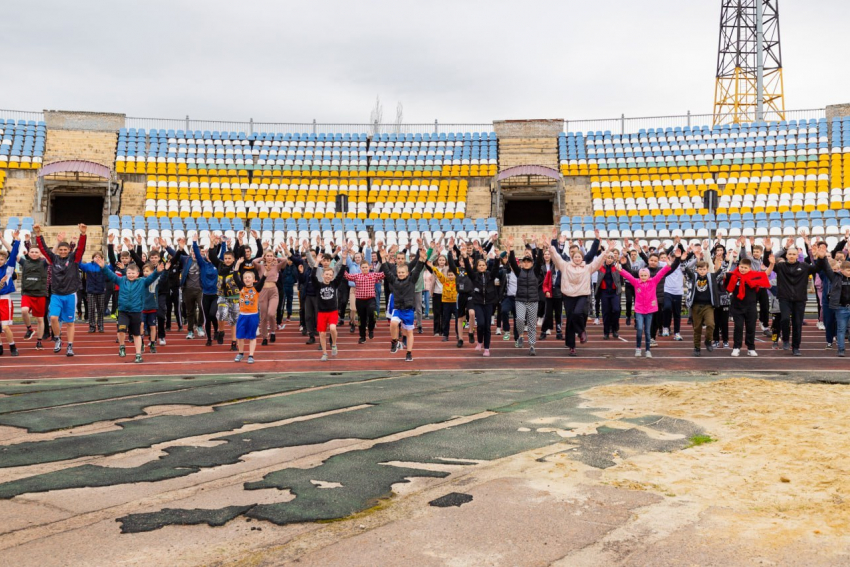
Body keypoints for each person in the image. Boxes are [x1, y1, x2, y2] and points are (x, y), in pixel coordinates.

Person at [95, 254, 165, 363]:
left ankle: (138, 355)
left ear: (137, 274)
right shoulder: (121, 280)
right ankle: (122, 346)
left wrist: (157, 271)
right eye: (128, 273)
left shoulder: (142, 282)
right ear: (126, 273)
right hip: (123, 311)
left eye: (133, 273)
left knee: (136, 334)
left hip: (136, 312)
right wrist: (103, 266)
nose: (131, 275)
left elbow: (151, 278)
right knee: (121, 329)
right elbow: (111, 275)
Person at [549, 230, 607, 356]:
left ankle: (581, 332)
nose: (577, 258)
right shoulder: (565, 266)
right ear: (572, 257)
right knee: (570, 319)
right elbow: (556, 256)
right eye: (575, 256)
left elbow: (597, 261)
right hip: (568, 296)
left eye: (579, 257)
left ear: (582, 258)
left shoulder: (587, 267)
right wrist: (552, 243)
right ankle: (572, 346)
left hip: (582, 295)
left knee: (577, 313)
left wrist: (605, 249)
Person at [615, 248, 680, 357]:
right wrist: (620, 269)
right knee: (640, 329)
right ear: (639, 276)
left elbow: (662, 272)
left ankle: (648, 350)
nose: (644, 277)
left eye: (645, 275)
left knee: (648, 331)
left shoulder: (654, 281)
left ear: (649, 276)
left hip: (650, 309)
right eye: (642, 275)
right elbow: (628, 276)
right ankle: (638, 348)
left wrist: (669, 265)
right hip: (640, 310)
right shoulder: (636, 282)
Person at [34, 223, 87, 356]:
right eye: (61, 249)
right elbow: (44, 249)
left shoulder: (74, 259)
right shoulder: (53, 259)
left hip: (70, 295)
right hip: (56, 295)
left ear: (69, 250)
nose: (63, 251)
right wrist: (38, 235)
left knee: (69, 323)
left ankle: (70, 346)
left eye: (65, 249)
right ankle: (57, 338)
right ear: (58, 251)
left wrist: (83, 235)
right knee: (53, 318)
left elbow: (80, 249)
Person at [773, 236, 819, 356]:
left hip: (799, 299)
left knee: (797, 324)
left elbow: (818, 267)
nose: (792, 256)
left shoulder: (804, 266)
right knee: (785, 319)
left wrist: (817, 255)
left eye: (794, 254)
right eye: (790, 254)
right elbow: (769, 262)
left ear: (798, 255)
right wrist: (785, 247)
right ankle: (786, 340)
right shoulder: (780, 267)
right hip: (784, 298)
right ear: (786, 256)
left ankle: (796, 347)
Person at [380, 244, 427, 361]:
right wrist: (383, 259)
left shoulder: (412, 280)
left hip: (408, 310)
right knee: (393, 324)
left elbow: (418, 269)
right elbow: (386, 271)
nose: (400, 274)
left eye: (403, 273)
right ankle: (395, 342)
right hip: (397, 308)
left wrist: (421, 259)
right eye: (399, 272)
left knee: (409, 332)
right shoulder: (394, 280)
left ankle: (409, 353)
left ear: (407, 273)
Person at [726, 257, 773, 357]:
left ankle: (751, 348)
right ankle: (736, 347)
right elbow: (720, 273)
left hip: (750, 307)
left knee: (751, 328)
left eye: (745, 268)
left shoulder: (754, 275)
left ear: (750, 268)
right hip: (737, 306)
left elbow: (766, 274)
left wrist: (772, 264)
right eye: (741, 267)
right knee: (738, 327)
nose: (742, 269)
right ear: (738, 266)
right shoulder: (733, 275)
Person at [506, 236, 543, 355]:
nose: (526, 263)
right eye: (524, 261)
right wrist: (511, 248)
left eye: (528, 261)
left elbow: (540, 260)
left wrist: (540, 248)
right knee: (520, 319)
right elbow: (511, 261)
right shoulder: (518, 272)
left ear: (532, 263)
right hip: (520, 300)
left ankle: (532, 345)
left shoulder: (535, 271)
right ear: (521, 263)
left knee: (532, 324)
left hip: (533, 300)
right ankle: (520, 335)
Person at [463, 242, 501, 356]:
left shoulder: (490, 275)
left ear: (486, 266)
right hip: (478, 303)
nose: (481, 267)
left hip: (489, 303)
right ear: (477, 267)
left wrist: (498, 257)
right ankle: (479, 342)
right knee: (480, 324)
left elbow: (495, 269)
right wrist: (465, 257)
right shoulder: (474, 276)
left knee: (487, 327)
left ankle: (487, 348)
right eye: (479, 265)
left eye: (483, 265)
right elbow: (469, 270)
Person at [814, 246, 850, 356]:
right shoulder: (835, 278)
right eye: (847, 270)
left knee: (843, 328)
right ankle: (840, 349)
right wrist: (821, 257)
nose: (849, 272)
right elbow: (826, 268)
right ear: (841, 270)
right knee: (839, 328)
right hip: (839, 306)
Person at [685, 255, 723, 356]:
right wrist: (683, 259)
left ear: (707, 269)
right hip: (696, 306)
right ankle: (697, 347)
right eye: (700, 269)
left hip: (708, 306)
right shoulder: (693, 277)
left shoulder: (711, 277)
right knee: (697, 328)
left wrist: (726, 260)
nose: (702, 271)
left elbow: (721, 272)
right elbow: (684, 269)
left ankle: (708, 340)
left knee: (711, 324)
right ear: (696, 270)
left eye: (704, 269)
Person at [343, 256, 385, 344]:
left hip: (371, 299)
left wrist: (385, 260)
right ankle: (362, 336)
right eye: (363, 267)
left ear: (369, 267)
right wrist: (343, 262)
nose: (365, 269)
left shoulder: (373, 275)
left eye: (366, 267)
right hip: (360, 300)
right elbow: (346, 275)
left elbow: (384, 274)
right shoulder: (356, 276)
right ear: (360, 268)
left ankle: (371, 329)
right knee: (361, 319)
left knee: (372, 313)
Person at [19, 235, 50, 349]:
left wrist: (58, 242)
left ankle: (39, 341)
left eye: (36, 252)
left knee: (40, 319)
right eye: (32, 252)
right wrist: (3, 240)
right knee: (24, 310)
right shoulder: (25, 263)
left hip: (40, 295)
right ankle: (29, 329)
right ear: (28, 252)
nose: (34, 253)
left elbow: (51, 254)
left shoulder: (43, 263)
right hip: (27, 293)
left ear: (40, 254)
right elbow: (13, 254)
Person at [314, 261, 349, 361]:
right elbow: (312, 276)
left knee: (333, 328)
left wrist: (344, 260)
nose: (328, 276)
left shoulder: (334, 284)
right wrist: (316, 263)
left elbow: (342, 273)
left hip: (333, 311)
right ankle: (324, 353)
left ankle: (334, 344)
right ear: (322, 275)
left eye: (330, 275)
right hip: (321, 312)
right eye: (327, 274)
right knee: (323, 333)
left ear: (332, 276)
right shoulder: (318, 285)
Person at [425, 250, 460, 344]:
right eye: (449, 275)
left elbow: (457, 268)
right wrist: (432, 266)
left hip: (455, 302)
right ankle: (443, 334)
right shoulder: (444, 280)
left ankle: (458, 333)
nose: (450, 276)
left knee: (458, 319)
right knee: (443, 317)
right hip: (443, 299)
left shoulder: (456, 279)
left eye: (452, 275)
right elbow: (439, 274)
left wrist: (453, 255)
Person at [233, 268, 264, 364]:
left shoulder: (256, 288)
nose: (247, 279)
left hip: (253, 316)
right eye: (245, 277)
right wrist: (237, 265)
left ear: (254, 279)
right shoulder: (241, 287)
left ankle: (251, 355)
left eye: (249, 277)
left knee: (252, 336)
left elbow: (263, 279)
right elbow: (235, 276)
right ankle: (241, 353)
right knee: (240, 336)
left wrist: (266, 271)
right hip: (242, 315)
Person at [0, 232, 22, 356]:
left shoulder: (8, 268)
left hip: (4, 300)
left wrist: (17, 241)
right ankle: (0, 346)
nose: (0, 261)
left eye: (2, 259)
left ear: (5, 259)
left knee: (5, 327)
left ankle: (12, 346)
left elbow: (13, 255)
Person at [595, 248, 623, 340]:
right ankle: (606, 332)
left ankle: (614, 329)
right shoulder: (600, 267)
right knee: (606, 313)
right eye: (608, 257)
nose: (610, 259)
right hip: (604, 293)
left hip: (614, 293)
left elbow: (621, 276)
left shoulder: (616, 267)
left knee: (616, 310)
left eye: (612, 258)